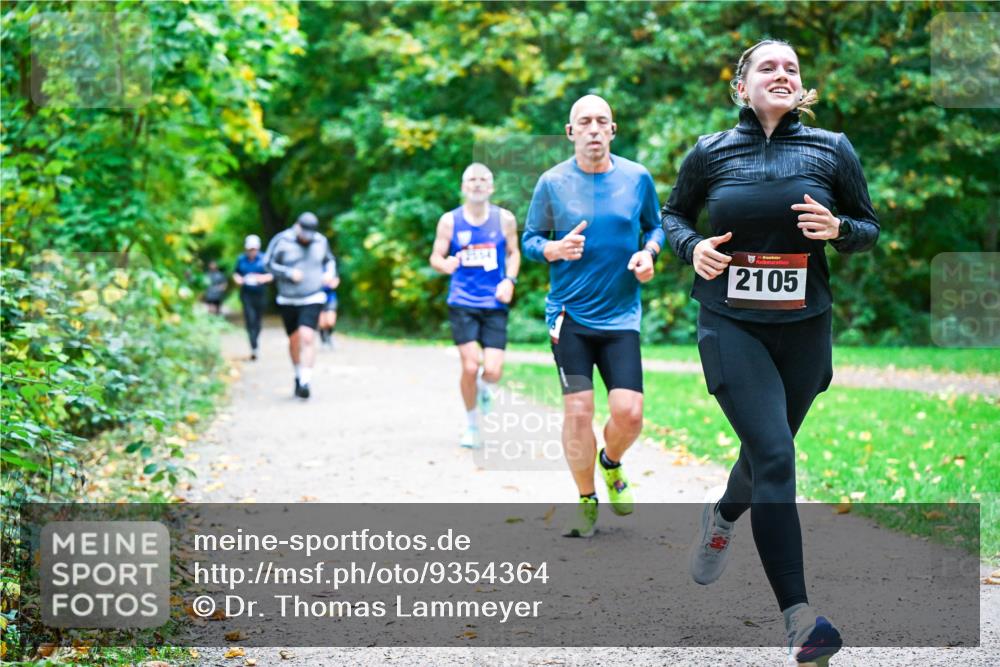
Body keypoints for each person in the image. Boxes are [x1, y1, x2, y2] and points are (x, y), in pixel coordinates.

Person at [661, 39, 879, 664]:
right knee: (777, 454)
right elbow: (675, 215)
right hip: (731, 323)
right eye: (768, 67)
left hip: (805, 326)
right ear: (741, 87)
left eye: (792, 67)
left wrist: (840, 230)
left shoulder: (831, 148)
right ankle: (800, 620)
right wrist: (690, 246)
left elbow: (868, 228)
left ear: (801, 86)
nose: (782, 74)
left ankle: (725, 516)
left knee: (764, 456)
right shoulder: (711, 151)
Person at [522, 95, 665, 537]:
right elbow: (529, 238)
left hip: (621, 316)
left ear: (613, 130)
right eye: (584, 122)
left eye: (602, 121)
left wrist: (648, 252)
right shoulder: (551, 182)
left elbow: (655, 226)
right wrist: (552, 248)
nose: (594, 129)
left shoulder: (637, 178)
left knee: (630, 414)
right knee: (579, 412)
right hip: (571, 316)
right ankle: (586, 498)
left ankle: (611, 462)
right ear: (570, 132)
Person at [429, 163, 520, 449]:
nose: (478, 184)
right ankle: (471, 425)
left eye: (484, 180)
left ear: (491, 187)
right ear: (464, 186)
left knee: (492, 371)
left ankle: (483, 390)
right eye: (472, 179)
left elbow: (514, 253)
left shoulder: (504, 219)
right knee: (471, 366)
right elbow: (436, 256)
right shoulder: (450, 221)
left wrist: (510, 281)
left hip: (494, 302)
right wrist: (445, 264)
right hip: (462, 302)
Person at [264, 212, 338, 399]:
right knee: (294, 340)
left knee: (307, 337)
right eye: (304, 233)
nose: (307, 238)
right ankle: (298, 374)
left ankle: (306, 381)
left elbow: (330, 260)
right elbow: (267, 264)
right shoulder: (281, 240)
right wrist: (288, 273)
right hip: (288, 299)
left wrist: (329, 273)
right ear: (297, 226)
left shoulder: (320, 241)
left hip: (313, 296)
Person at [233, 234, 273, 360]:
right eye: (250, 249)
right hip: (246, 294)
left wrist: (261, 278)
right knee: (250, 319)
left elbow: (271, 275)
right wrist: (238, 279)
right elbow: (236, 273)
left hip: (260, 293)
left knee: (257, 321)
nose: (252, 252)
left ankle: (256, 340)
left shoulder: (264, 259)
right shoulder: (241, 259)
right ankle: (254, 346)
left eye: (254, 249)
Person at [319, 283, 338, 349]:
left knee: (330, 321)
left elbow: (335, 284)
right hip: (318, 299)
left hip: (331, 299)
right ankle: (323, 341)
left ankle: (329, 337)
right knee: (321, 323)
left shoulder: (332, 272)